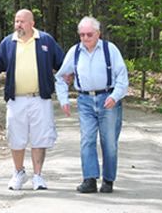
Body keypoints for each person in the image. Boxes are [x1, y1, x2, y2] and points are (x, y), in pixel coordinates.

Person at [55, 16, 128, 194]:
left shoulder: (110, 50)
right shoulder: (75, 52)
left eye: (89, 34)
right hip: (85, 100)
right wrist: (63, 99)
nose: (85, 38)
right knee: (87, 140)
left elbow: (122, 76)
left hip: (107, 99)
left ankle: (108, 180)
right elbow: (60, 77)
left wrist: (116, 96)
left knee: (109, 142)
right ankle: (89, 179)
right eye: (82, 35)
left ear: (98, 33)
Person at [0, 9, 64, 191]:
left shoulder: (45, 40)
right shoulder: (8, 43)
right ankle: (18, 173)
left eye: (22, 21)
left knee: (40, 138)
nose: (18, 25)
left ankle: (38, 176)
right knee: (16, 137)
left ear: (32, 23)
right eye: (16, 21)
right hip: (16, 99)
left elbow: (62, 64)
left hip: (39, 98)